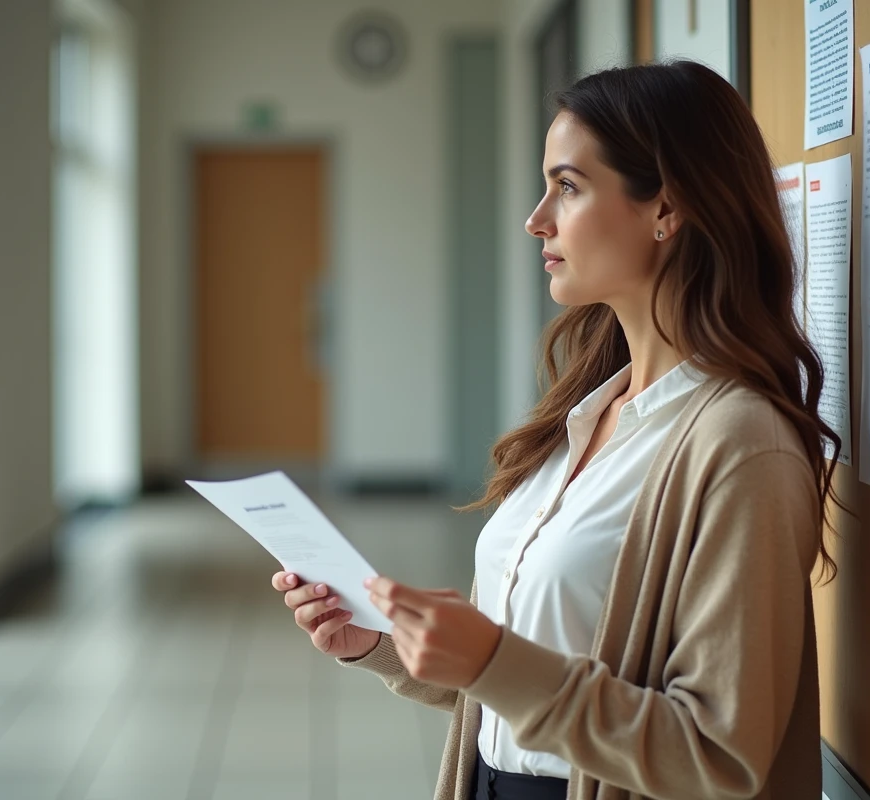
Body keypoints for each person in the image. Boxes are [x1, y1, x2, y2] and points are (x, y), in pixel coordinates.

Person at [272, 61, 839, 800]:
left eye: (568, 187)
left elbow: (719, 758)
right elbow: (533, 680)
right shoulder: (585, 411)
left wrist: (488, 660)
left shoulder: (739, 446)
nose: (536, 218)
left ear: (666, 208)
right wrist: (386, 645)